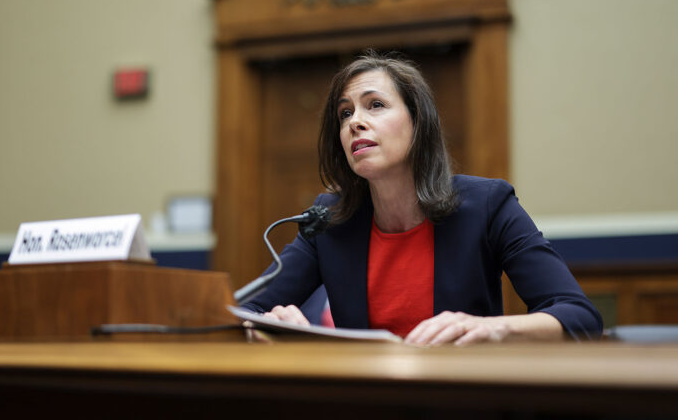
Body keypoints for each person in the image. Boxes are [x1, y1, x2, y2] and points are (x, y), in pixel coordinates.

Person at [243, 51, 602, 345]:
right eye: (345, 113)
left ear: (418, 124)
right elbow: (247, 310)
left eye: (376, 105)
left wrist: (496, 328)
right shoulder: (329, 219)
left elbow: (580, 315)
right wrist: (272, 324)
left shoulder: (488, 205)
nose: (356, 122)